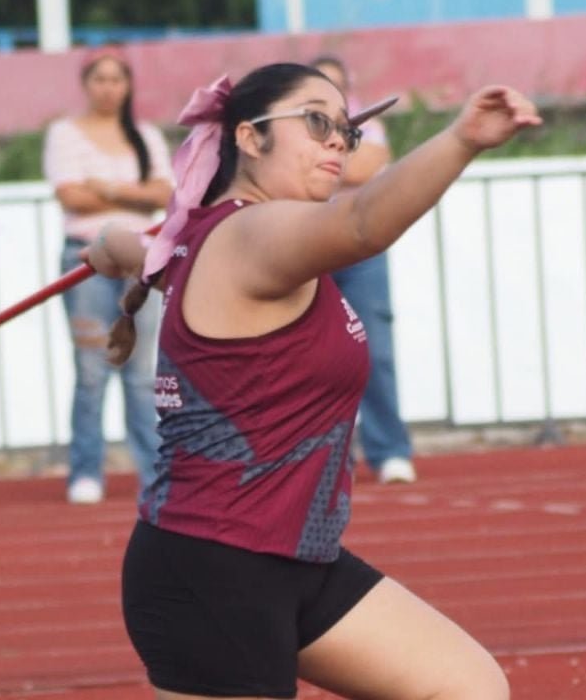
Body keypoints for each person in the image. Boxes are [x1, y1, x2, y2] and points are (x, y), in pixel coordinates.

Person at [83, 63, 538, 699]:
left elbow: (155, 253)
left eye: (346, 132)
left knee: (465, 687)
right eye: (318, 121)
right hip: (213, 570)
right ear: (249, 137)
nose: (337, 141)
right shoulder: (253, 233)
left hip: (295, 563)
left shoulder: (208, 238)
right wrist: (461, 138)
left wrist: (113, 243)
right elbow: (362, 225)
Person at [43, 46, 174, 503]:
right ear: (86, 84)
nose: (108, 87)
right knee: (91, 370)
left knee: (142, 374)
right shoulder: (65, 133)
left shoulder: (145, 135)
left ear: (129, 85)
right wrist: (133, 199)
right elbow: (72, 198)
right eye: (100, 78)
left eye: (117, 78)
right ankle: (85, 471)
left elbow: (164, 193)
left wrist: (109, 189)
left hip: (143, 262)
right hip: (86, 262)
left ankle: (153, 472)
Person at [310, 55, 416, 484]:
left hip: (361, 252)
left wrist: (321, 168)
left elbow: (367, 166)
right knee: (313, 358)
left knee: (374, 352)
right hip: (310, 247)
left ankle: (388, 449)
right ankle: (326, 459)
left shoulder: (368, 125)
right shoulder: (295, 131)